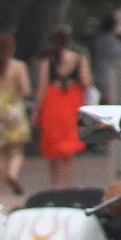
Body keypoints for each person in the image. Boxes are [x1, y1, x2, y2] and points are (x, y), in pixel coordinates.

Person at [33, 23, 87, 189]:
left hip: (52, 101)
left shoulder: (47, 61)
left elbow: (42, 87)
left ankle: (54, 185)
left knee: (52, 147)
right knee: (69, 148)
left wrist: (36, 110)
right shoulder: (78, 58)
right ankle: (67, 185)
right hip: (72, 102)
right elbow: (86, 81)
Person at [0, 32, 32, 196]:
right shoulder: (18, 66)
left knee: (1, 151)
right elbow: (26, 90)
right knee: (17, 150)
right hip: (13, 106)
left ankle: (4, 188)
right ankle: (13, 173)